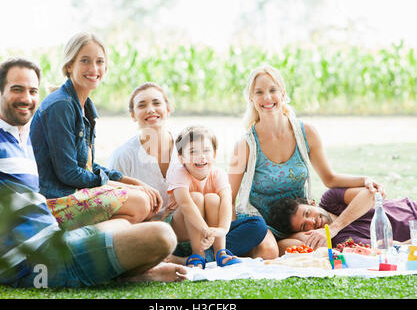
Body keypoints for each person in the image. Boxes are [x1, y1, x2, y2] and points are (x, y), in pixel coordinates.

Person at [0, 57, 187, 287]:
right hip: (33, 262)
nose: (27, 98)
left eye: (33, 91)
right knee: (162, 237)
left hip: (56, 240)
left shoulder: (18, 136)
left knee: (139, 229)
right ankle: (134, 273)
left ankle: (132, 273)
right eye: (17, 89)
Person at [228, 64, 384, 259]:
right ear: (251, 99)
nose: (267, 98)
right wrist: (231, 235)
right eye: (259, 92)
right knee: (269, 251)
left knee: (318, 247)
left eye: (273, 90)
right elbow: (228, 197)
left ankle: (278, 245)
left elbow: (330, 178)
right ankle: (258, 247)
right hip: (260, 223)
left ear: (283, 94)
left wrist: (364, 179)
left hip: (298, 221)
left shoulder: (306, 133)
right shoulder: (244, 144)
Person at [107, 83, 267, 264]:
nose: (150, 109)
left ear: (168, 109)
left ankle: (198, 257)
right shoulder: (123, 156)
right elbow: (117, 209)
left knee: (257, 226)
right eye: (142, 105)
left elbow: (219, 196)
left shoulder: (188, 143)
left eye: (156, 103)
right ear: (133, 115)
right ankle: (191, 255)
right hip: (158, 230)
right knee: (192, 203)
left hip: (205, 224)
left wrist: (217, 228)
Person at [30, 32, 162, 230]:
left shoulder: (85, 107)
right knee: (140, 203)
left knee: (143, 199)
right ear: (69, 65)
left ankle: (113, 247)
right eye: (85, 61)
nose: (93, 69)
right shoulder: (61, 105)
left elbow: (86, 166)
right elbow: (69, 173)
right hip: (54, 202)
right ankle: (90, 248)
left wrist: (130, 181)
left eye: (99, 62)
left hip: (73, 195)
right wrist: (121, 186)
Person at [166, 125, 241, 268]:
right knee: (195, 197)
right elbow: (186, 205)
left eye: (206, 150)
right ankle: (198, 255)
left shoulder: (218, 174)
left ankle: (221, 253)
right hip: (183, 232)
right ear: (181, 158)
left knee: (214, 198)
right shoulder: (180, 174)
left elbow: (227, 201)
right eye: (193, 151)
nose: (201, 156)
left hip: (209, 233)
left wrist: (222, 230)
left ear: (214, 154)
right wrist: (205, 230)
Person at [267, 187, 416, 249]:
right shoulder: (342, 243)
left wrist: (334, 227)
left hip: (411, 208)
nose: (312, 221)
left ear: (311, 203)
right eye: (304, 227)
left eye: (307, 213)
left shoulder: (330, 200)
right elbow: (388, 246)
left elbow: (372, 194)